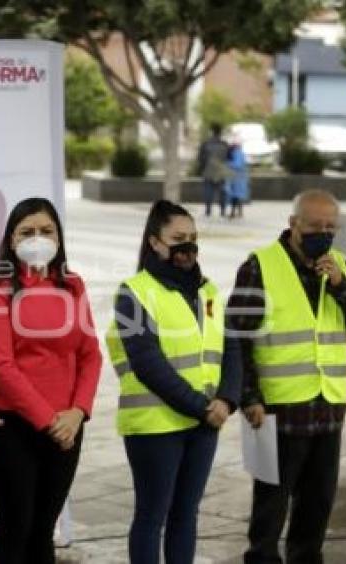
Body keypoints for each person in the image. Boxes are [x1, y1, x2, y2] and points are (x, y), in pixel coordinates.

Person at [228, 189, 346, 564]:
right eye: (314, 226)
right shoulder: (259, 266)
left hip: (326, 410)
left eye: (331, 227)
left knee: (316, 509)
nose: (323, 233)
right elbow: (236, 338)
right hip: (278, 413)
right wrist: (248, 397)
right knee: (269, 514)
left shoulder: (339, 265)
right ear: (294, 224)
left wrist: (343, 285)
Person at [106, 200, 242, 564]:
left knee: (186, 515)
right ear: (155, 242)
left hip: (204, 423)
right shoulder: (134, 291)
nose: (188, 246)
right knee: (152, 517)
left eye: (193, 238)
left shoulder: (208, 290)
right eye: (178, 238)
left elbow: (231, 348)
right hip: (156, 426)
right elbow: (148, 362)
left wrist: (228, 399)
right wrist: (203, 407)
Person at [0, 197, 102, 564]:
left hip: (68, 426)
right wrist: (49, 421)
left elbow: (90, 353)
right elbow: (1, 365)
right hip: (13, 426)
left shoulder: (72, 285)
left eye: (46, 231)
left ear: (59, 239)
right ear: (11, 240)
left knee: (44, 532)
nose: (37, 238)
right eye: (27, 231)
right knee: (16, 530)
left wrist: (78, 412)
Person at [197, 123, 231, 218]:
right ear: (220, 132)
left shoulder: (206, 144)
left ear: (212, 131)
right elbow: (229, 157)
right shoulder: (224, 144)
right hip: (221, 170)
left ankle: (208, 210)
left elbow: (200, 158)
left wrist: (202, 169)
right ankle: (223, 211)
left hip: (209, 170)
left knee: (208, 191)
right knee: (222, 191)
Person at [226, 136, 249, 219]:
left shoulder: (237, 153)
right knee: (238, 196)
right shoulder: (239, 152)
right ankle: (239, 212)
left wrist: (228, 164)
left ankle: (234, 213)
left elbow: (237, 165)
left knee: (235, 196)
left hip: (237, 178)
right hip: (239, 177)